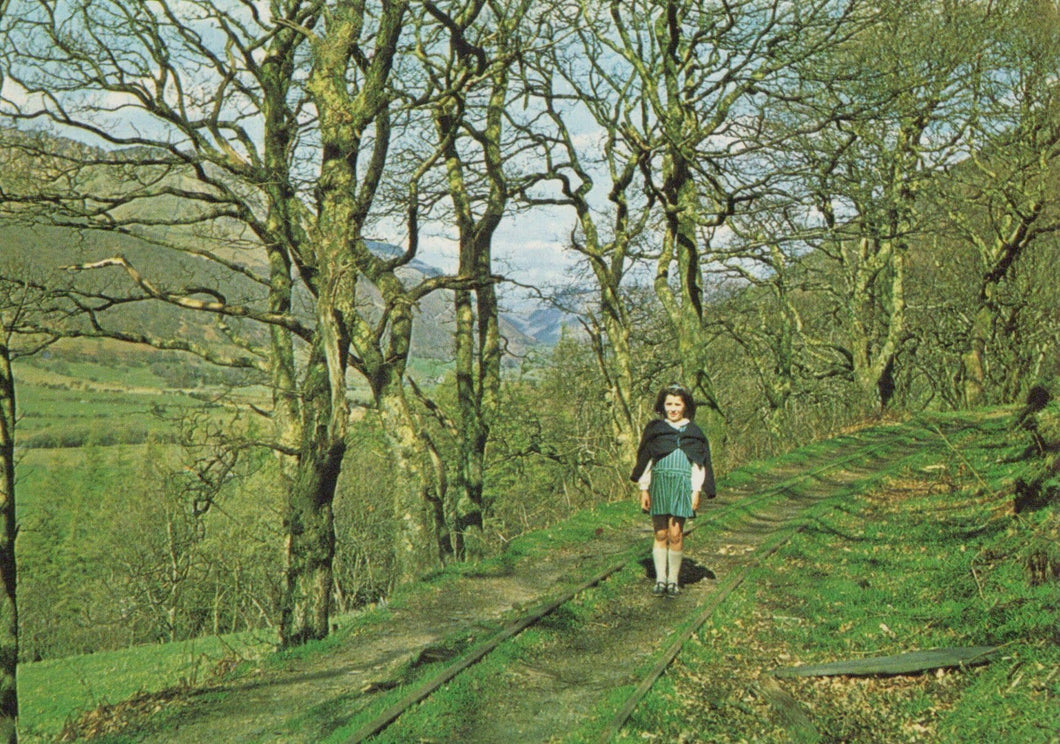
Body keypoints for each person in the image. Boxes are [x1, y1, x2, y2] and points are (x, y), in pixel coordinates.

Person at [630, 383, 716, 597]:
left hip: (682, 486)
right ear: (663, 406)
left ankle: (673, 581)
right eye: (669, 404)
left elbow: (699, 465)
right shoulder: (656, 431)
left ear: (685, 406)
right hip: (659, 484)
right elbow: (647, 461)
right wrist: (644, 489)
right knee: (660, 532)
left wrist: (696, 491)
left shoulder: (694, 433)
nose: (673, 408)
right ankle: (660, 579)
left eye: (677, 404)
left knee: (676, 534)